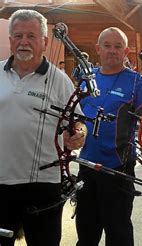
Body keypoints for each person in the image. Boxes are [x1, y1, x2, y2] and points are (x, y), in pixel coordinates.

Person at [0, 9, 85, 246]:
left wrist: (79, 134)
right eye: (18, 36)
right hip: (1, 180)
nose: (23, 42)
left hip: (44, 183)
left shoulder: (60, 80)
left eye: (31, 36)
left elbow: (77, 121)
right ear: (10, 40)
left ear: (45, 42)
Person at [75, 27, 142, 246]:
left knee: (118, 232)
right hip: (87, 166)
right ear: (97, 49)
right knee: (86, 231)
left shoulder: (138, 83)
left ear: (126, 51)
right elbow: (75, 119)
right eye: (107, 46)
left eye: (118, 46)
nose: (112, 51)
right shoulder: (86, 81)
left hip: (119, 168)